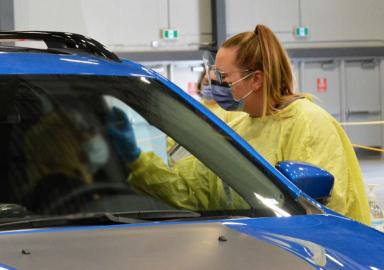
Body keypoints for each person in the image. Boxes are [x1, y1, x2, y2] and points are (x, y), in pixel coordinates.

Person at [108, 24, 371, 225]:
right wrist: (135, 159)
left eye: (223, 77)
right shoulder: (238, 124)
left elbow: (325, 213)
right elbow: (192, 190)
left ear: (255, 79)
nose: (214, 85)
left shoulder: (308, 124)